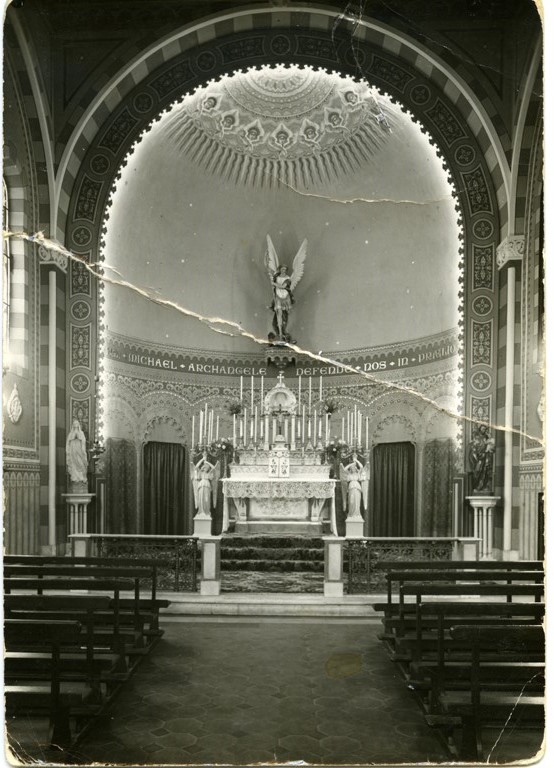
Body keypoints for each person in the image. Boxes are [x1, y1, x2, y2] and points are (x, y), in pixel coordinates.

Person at [340, 453, 369, 520]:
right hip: (351, 488)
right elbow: (344, 469)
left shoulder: (358, 473)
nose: (353, 468)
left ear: (356, 468)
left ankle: (357, 514)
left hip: (357, 488)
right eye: (352, 468)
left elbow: (361, 467)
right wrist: (351, 464)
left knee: (357, 502)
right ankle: (351, 515)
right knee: (351, 501)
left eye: (354, 467)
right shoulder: (348, 474)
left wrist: (356, 460)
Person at [468, 424, 495, 493]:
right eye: (482, 429)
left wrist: (488, 448)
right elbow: (473, 448)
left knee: (485, 472)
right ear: (480, 429)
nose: (484, 430)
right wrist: (477, 454)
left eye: (485, 429)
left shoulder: (486, 437)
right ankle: (476, 486)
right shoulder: (476, 437)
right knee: (477, 471)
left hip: (485, 457)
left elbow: (491, 447)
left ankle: (483, 487)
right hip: (479, 458)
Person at [192, 453, 219, 517]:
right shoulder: (200, 473)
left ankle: (207, 512)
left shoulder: (209, 473)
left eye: (207, 467)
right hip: (201, 486)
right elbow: (196, 467)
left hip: (207, 486)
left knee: (206, 499)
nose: (205, 468)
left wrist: (207, 462)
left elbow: (214, 468)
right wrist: (202, 459)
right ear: (202, 468)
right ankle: (201, 511)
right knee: (201, 499)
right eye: (204, 467)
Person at [66, 419, 88, 486]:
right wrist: (68, 450)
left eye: (77, 423)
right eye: (74, 423)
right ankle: (75, 477)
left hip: (80, 450)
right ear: (73, 425)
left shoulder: (81, 433)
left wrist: (79, 438)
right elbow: (68, 443)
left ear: (79, 425)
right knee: (73, 464)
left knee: (81, 462)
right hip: (73, 451)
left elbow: (83, 442)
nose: (76, 424)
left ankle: (81, 477)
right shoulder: (71, 433)